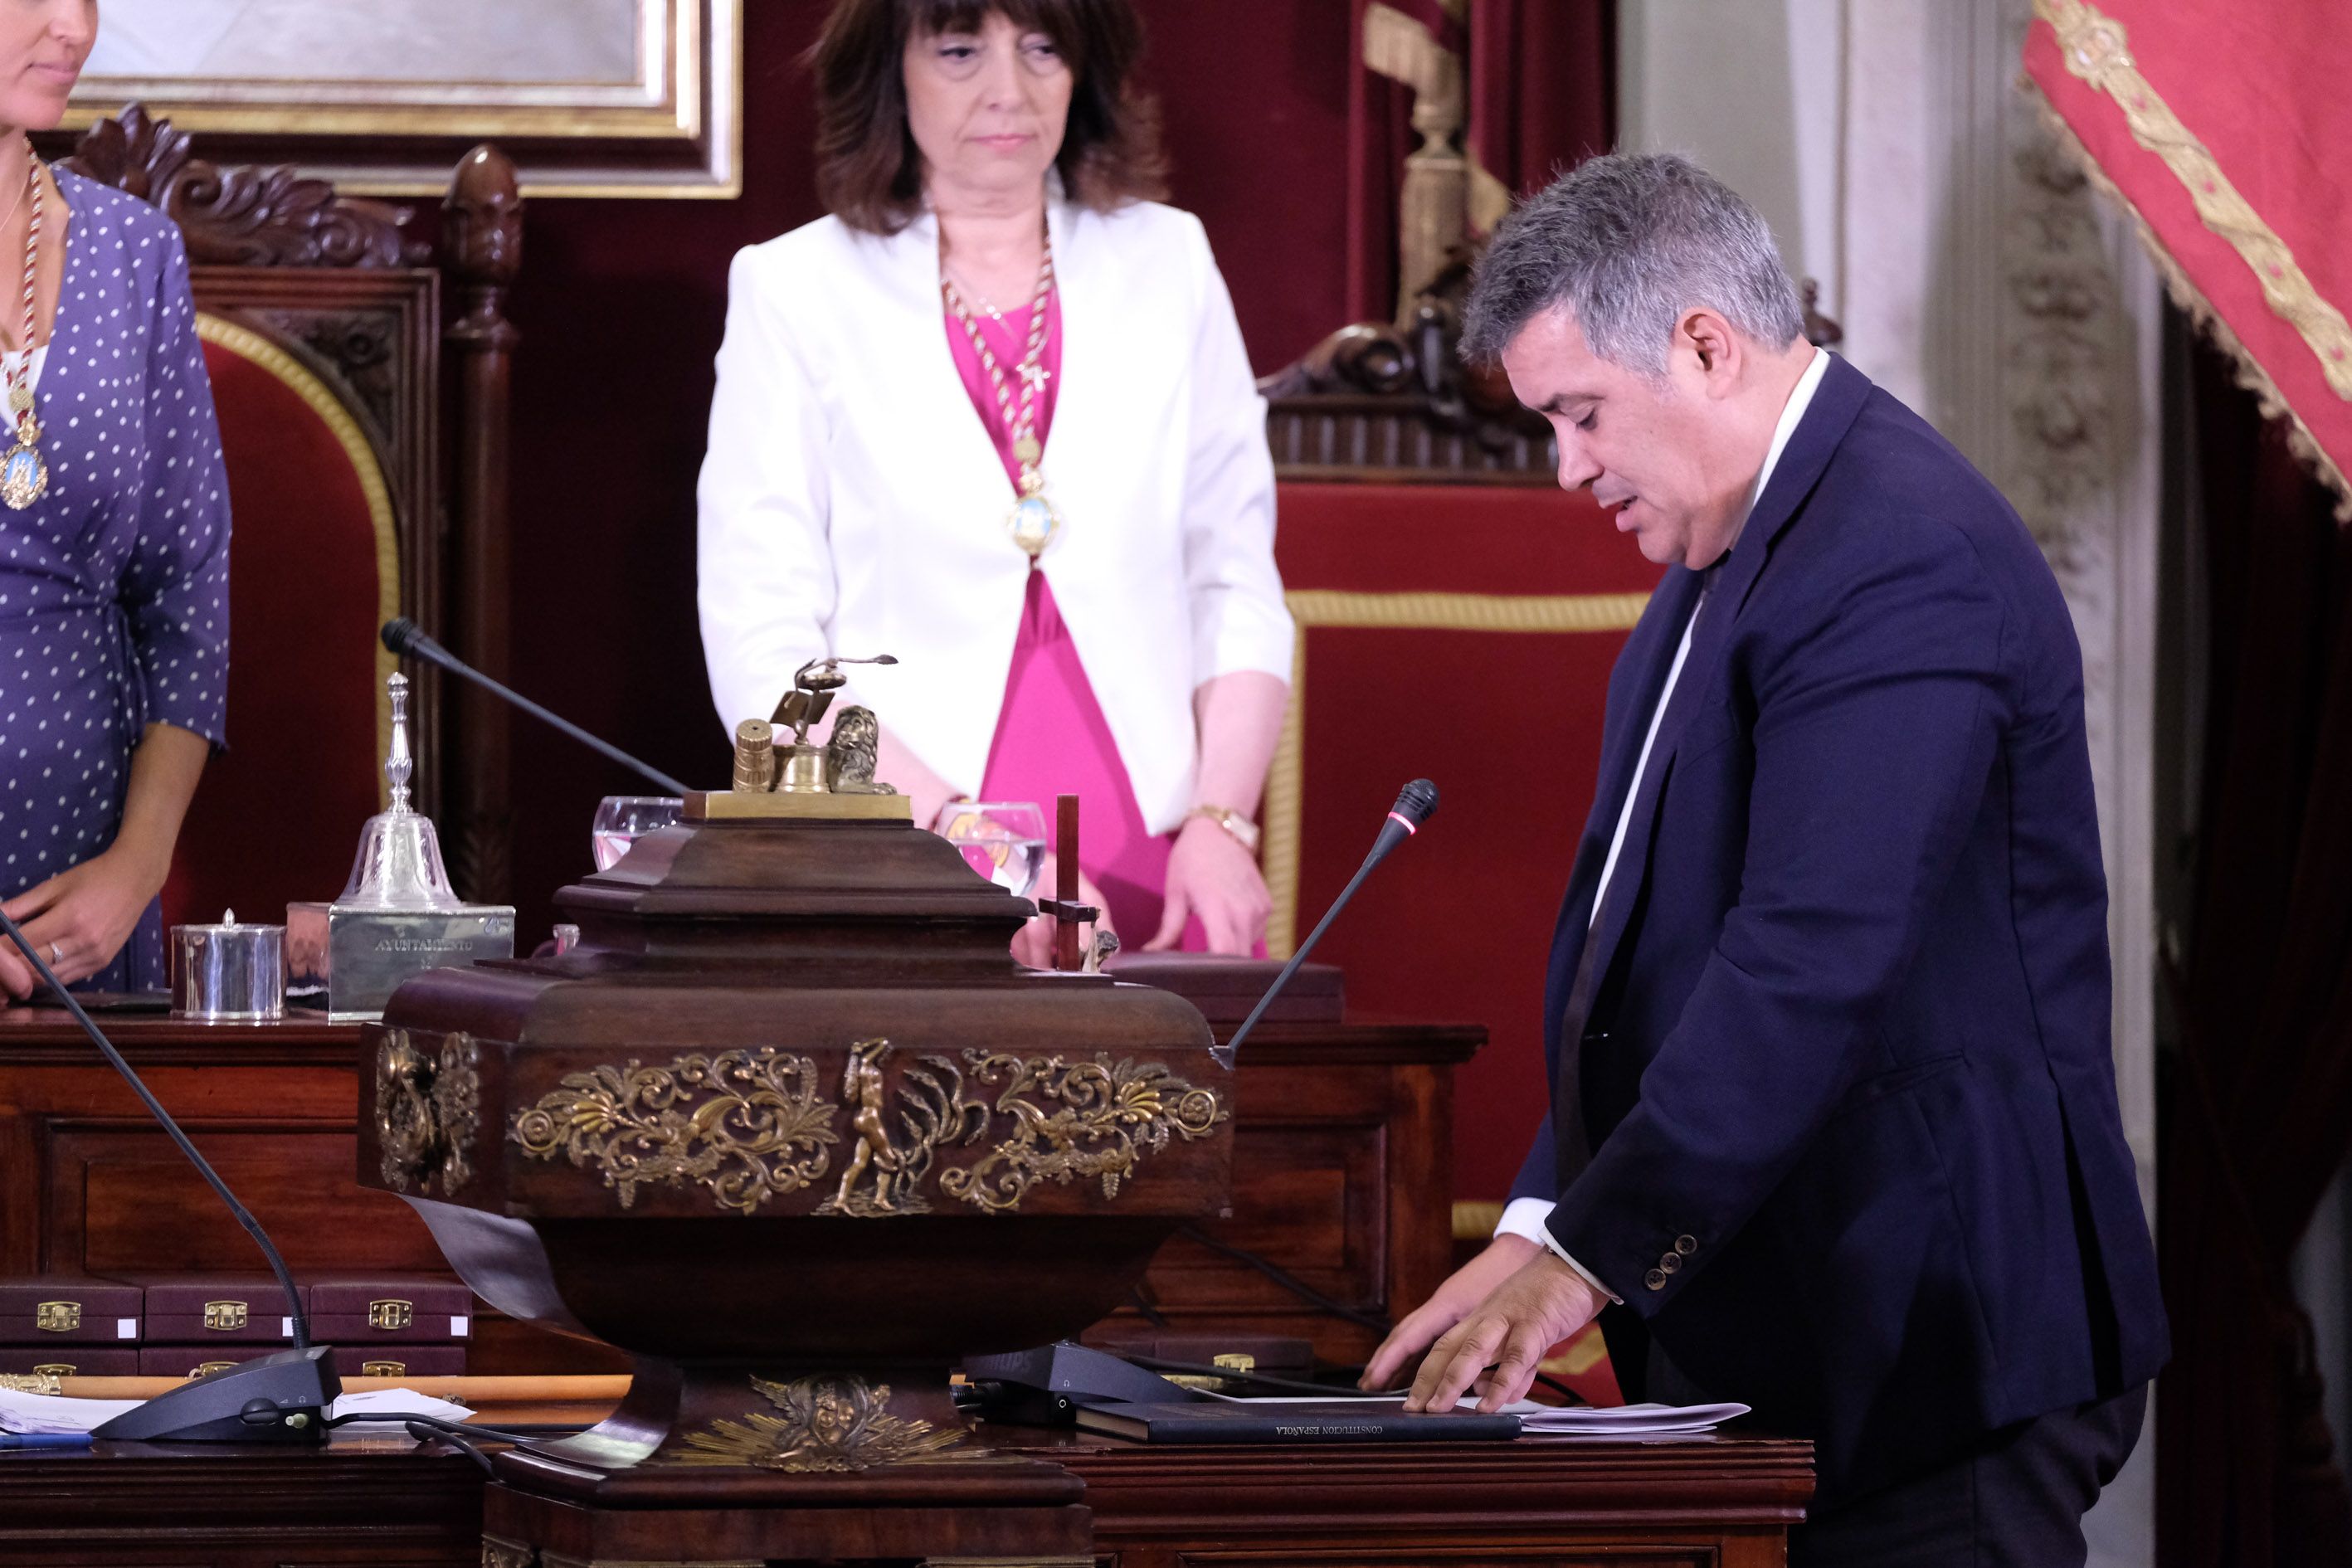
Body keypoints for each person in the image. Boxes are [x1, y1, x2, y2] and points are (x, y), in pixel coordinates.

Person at [1364, 154, 2168, 1566]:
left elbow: (1811, 958)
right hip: (1816, 1342)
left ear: (1705, 345)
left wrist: (1584, 1261)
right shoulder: (1728, 557)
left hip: (1937, 1348)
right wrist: (1547, 1216)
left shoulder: (1898, 555)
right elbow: (1641, 961)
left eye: (1581, 413)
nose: (1567, 467)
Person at [698, 0, 1291, 963]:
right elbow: (765, 656)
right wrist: (963, 835)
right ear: (892, 69)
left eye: (1042, 48)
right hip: (906, 846)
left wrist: (1223, 822)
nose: (1008, 89)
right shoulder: (793, 289)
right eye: (963, 49)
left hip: (1158, 854)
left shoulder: (1170, 260)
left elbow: (1236, 580)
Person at [0, 0, 230, 1006]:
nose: (75, 28)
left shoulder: (136, 254)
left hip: (80, 906)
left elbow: (188, 593)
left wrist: (136, 868)